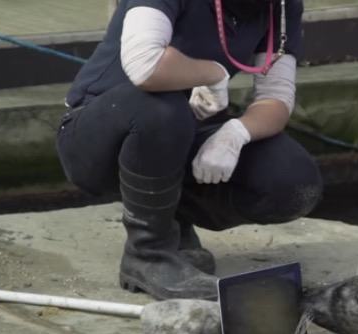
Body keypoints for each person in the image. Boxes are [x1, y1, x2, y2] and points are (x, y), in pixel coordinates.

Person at [56, 0, 321, 301]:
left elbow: (276, 98)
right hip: (100, 133)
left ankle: (173, 225)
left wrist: (237, 133)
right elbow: (145, 65)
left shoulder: (281, 6)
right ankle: (148, 254)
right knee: (163, 110)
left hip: (183, 129)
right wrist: (214, 74)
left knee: (294, 181)